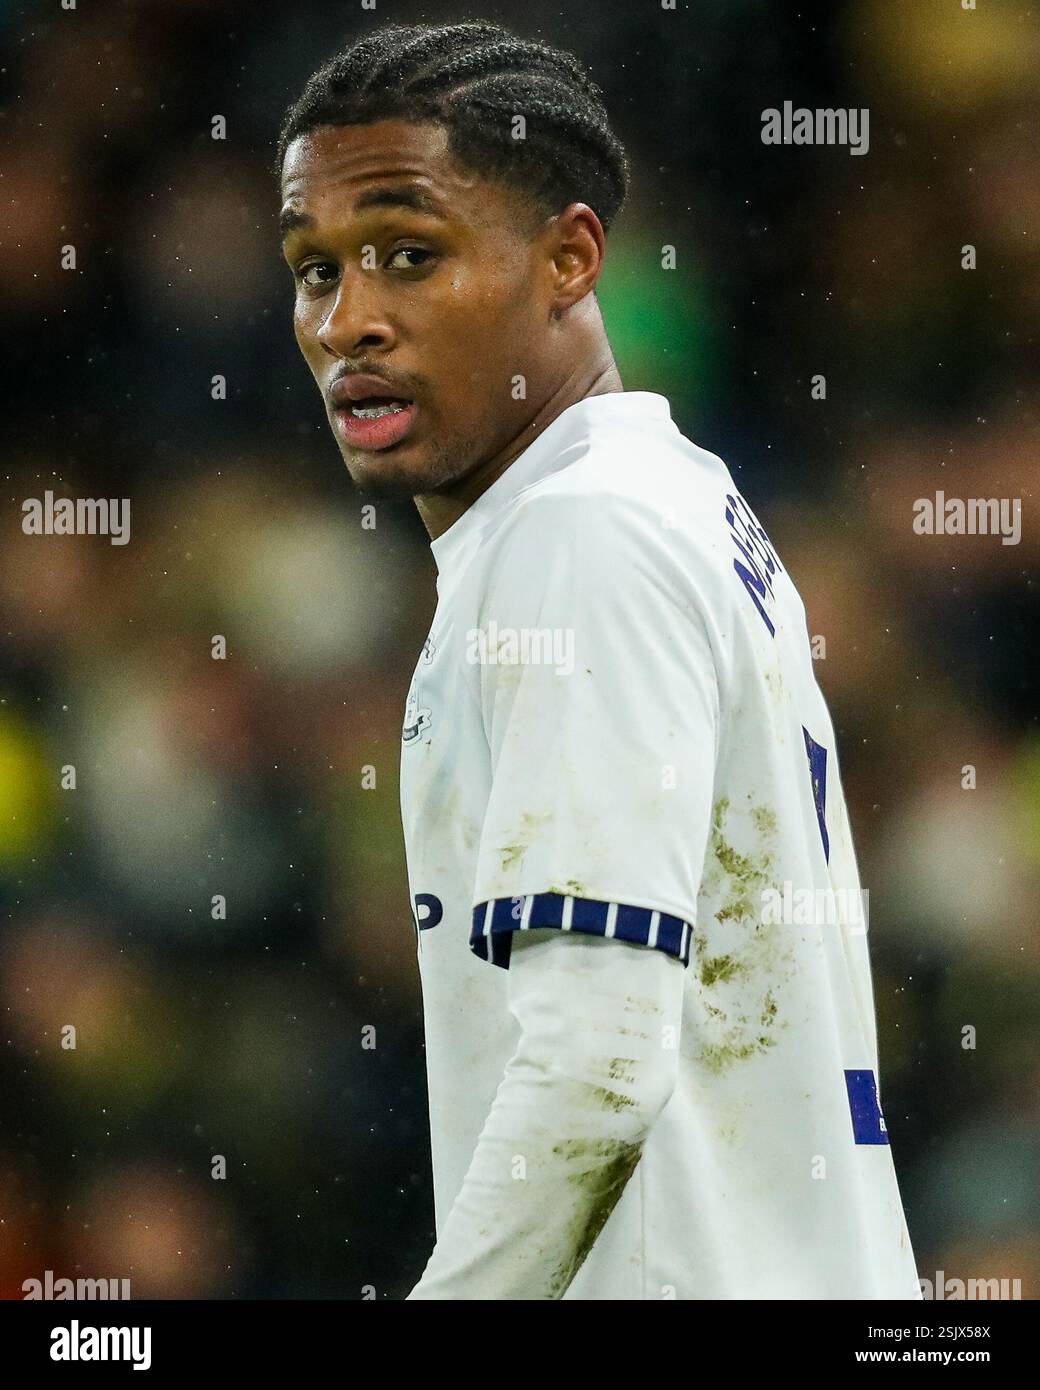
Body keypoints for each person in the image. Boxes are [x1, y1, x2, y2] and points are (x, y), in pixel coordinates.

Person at [277, 20, 921, 1300]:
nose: (349, 321)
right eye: (313, 269)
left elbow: (593, 1065)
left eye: (409, 256)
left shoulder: (582, 538)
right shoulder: (671, 496)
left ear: (569, 258)